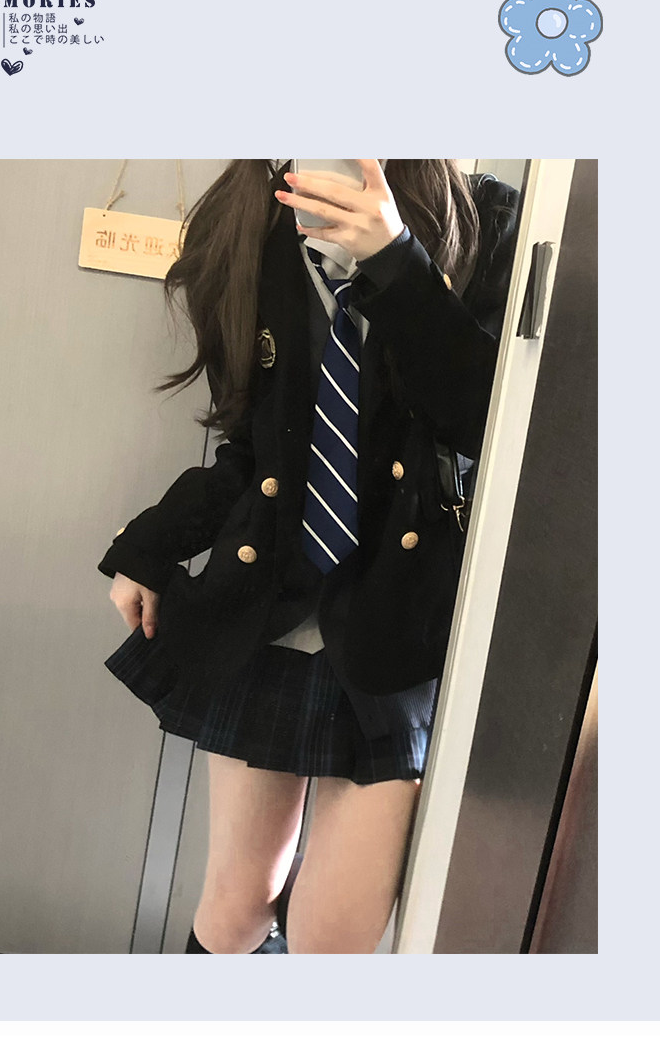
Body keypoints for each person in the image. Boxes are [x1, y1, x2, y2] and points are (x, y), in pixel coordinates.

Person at [97, 159, 520, 955]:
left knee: (333, 939)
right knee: (236, 908)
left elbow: (487, 427)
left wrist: (396, 260)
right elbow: (253, 445)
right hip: (272, 607)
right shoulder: (240, 224)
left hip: (399, 625)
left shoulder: (488, 222)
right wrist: (151, 545)